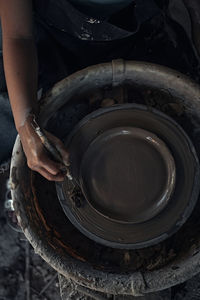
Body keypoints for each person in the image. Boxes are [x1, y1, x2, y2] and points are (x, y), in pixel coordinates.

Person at [0, 0, 199, 181]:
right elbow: (19, 36)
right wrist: (26, 126)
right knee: (21, 132)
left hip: (131, 28)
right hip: (49, 37)